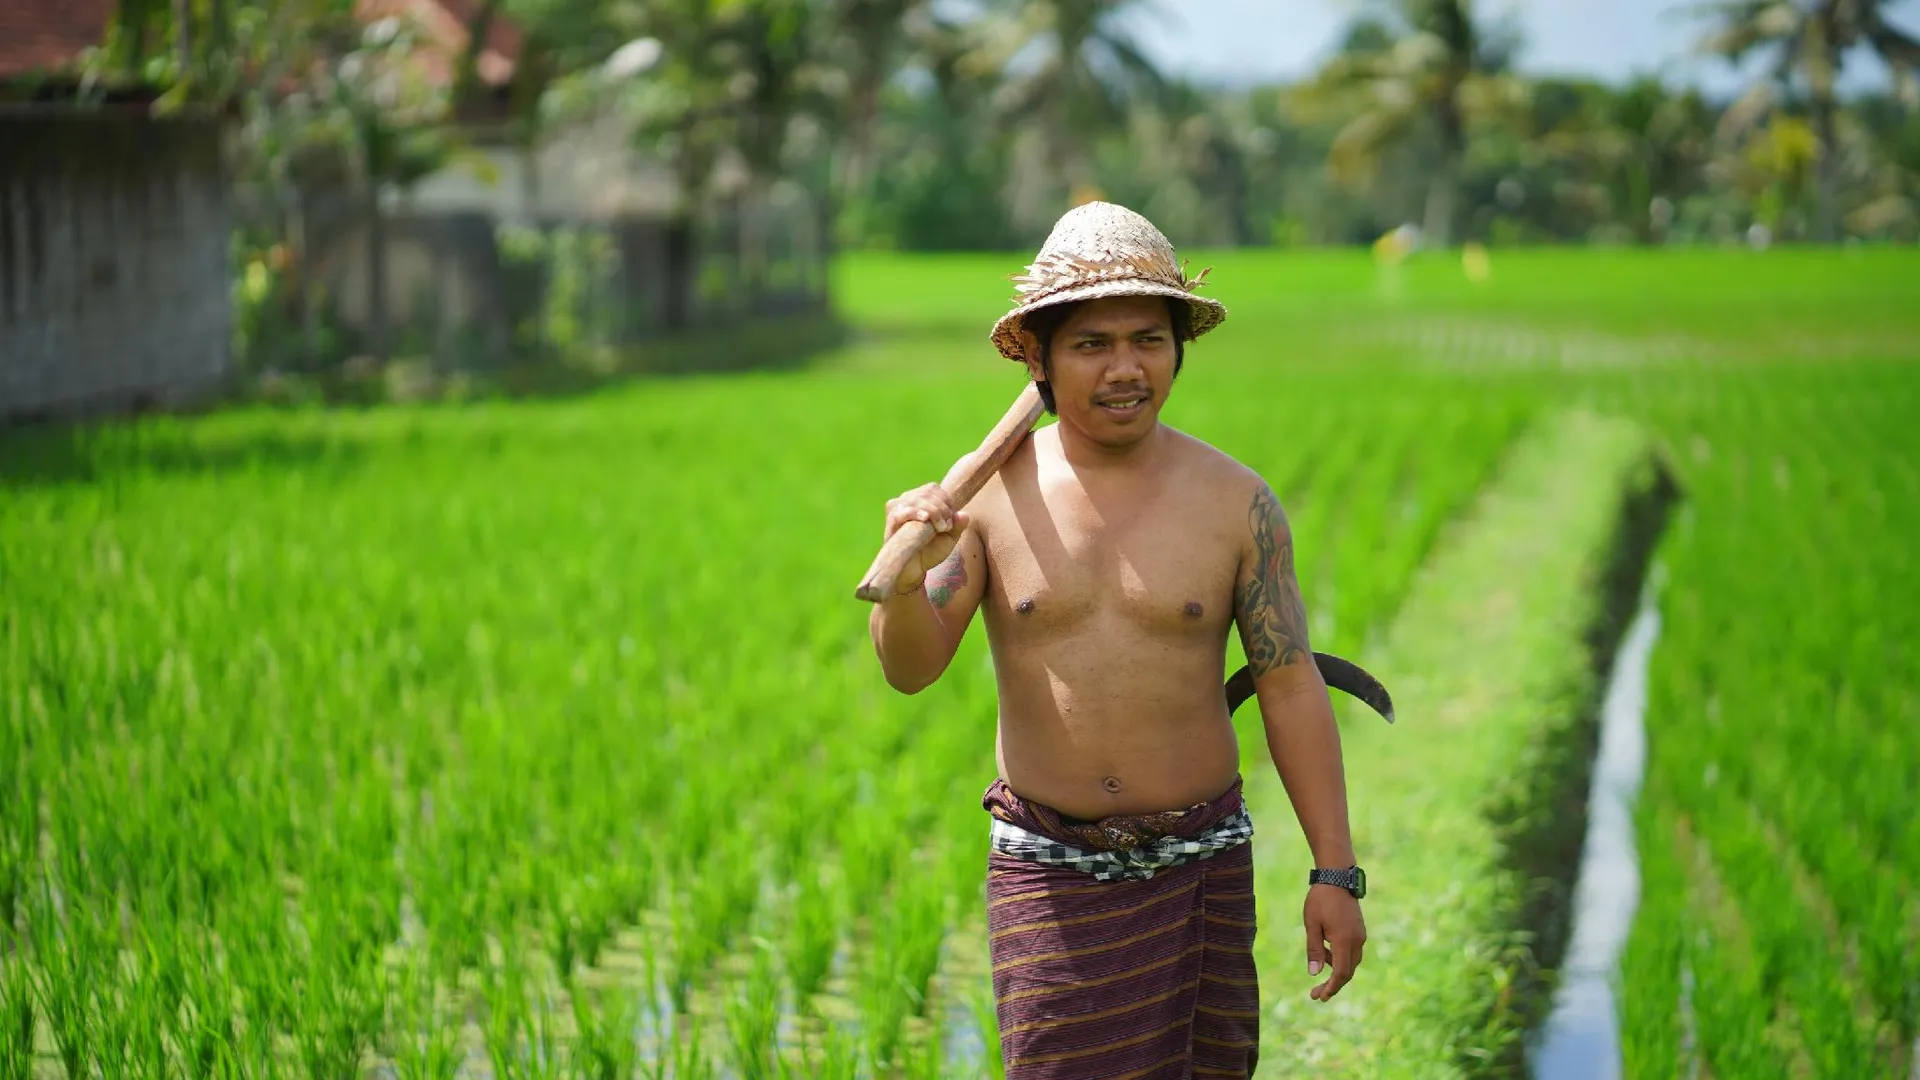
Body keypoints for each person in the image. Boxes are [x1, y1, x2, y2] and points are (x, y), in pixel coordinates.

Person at [867, 201, 1368, 1077]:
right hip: (1047, 871)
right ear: (1041, 359)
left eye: (1148, 339)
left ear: (1181, 347)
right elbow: (911, 668)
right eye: (1092, 344)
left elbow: (1288, 686)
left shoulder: (1235, 503)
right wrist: (906, 586)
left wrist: (1336, 872)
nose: (1125, 368)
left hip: (1200, 866)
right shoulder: (989, 501)